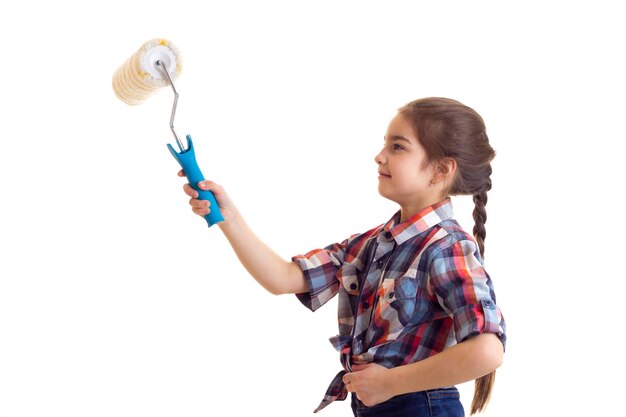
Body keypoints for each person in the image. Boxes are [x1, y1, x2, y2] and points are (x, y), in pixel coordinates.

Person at [179, 97, 506, 417]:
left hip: (419, 405)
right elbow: (283, 278)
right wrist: (228, 217)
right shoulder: (372, 245)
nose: (379, 156)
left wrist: (391, 382)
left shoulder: (447, 249)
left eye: (398, 147)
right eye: (385, 144)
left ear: (441, 170)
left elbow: (487, 351)